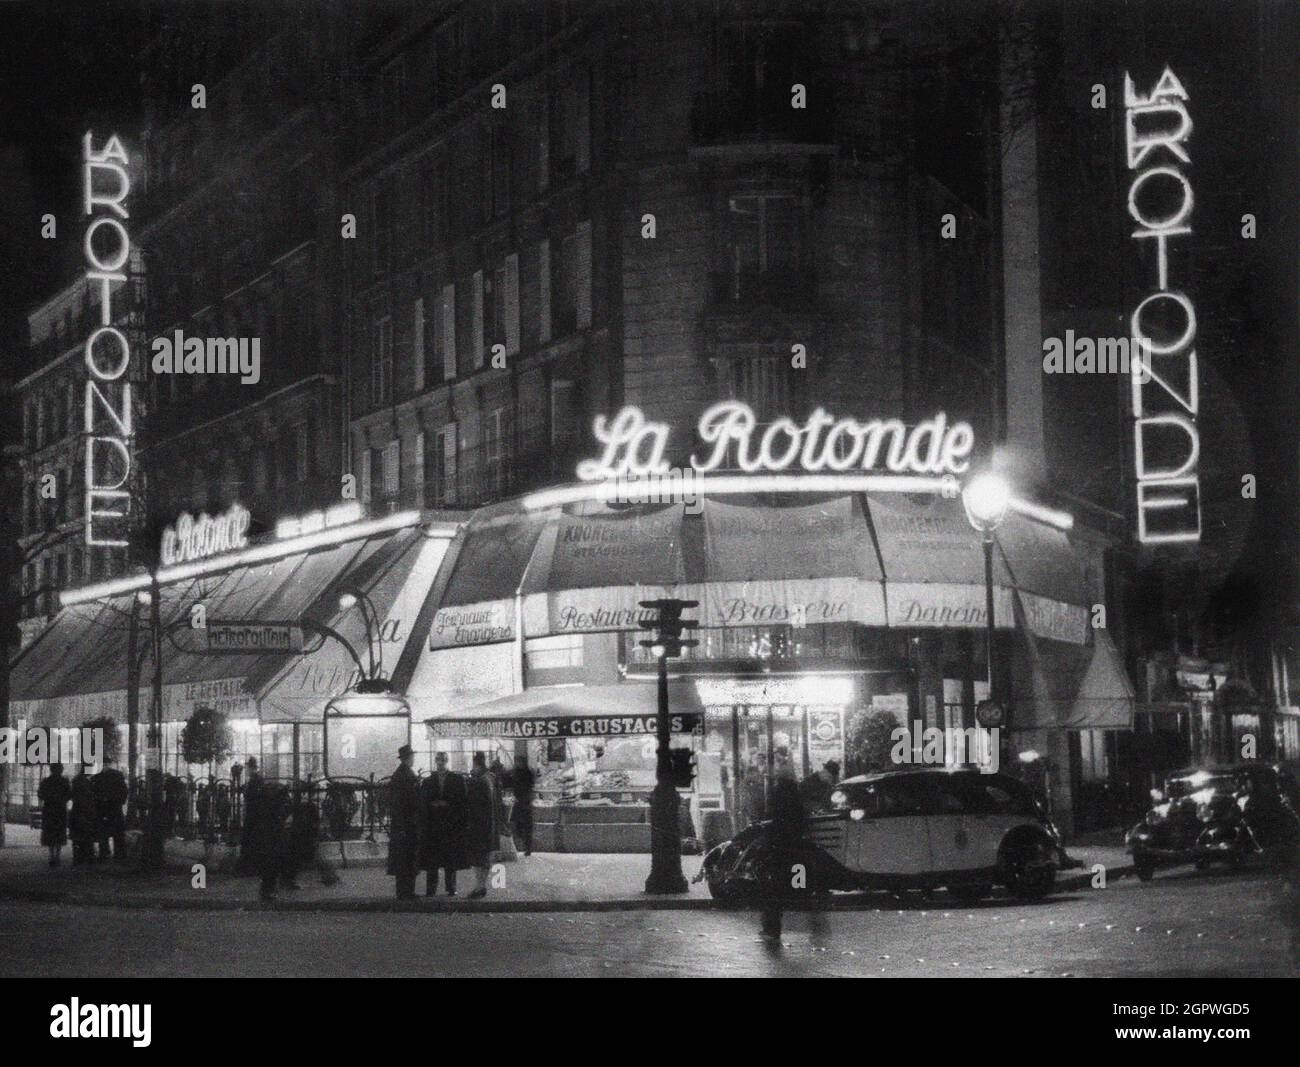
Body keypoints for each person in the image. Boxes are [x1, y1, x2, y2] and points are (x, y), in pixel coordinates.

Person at [760, 752, 804, 941]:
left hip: (777, 843)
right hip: (792, 843)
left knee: (772, 886)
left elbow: (771, 816)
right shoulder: (796, 793)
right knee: (784, 883)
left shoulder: (777, 793)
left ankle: (771, 927)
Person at [419, 751, 468, 895]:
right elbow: (423, 801)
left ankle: (451, 887)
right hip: (434, 825)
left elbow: (462, 801)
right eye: (438, 760)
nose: (440, 763)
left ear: (447, 761)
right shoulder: (428, 781)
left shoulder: (456, 779)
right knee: (432, 858)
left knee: (450, 856)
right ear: (435, 761)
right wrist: (433, 805)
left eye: (443, 760)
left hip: (450, 823)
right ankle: (431, 889)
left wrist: (448, 805)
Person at [465, 751, 506, 899]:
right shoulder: (491, 778)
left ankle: (479, 886)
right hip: (491, 824)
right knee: (486, 857)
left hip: (479, 825)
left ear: (476, 764)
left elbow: (473, 804)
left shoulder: (478, 781)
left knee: (478, 857)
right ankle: (482, 885)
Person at [387, 745, 421, 900]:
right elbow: (412, 801)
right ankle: (407, 891)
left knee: (401, 858)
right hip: (408, 823)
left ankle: (402, 891)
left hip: (400, 823)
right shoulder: (407, 775)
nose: (414, 759)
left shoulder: (398, 774)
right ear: (409, 758)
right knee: (408, 856)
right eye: (412, 756)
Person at [93, 756, 128, 862]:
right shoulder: (118, 775)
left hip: (102, 809)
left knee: (103, 833)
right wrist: (119, 801)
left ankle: (104, 853)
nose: (105, 766)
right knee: (117, 832)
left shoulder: (97, 778)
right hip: (115, 808)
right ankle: (119, 854)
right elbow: (124, 791)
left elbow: (94, 794)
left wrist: (98, 803)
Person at [38, 765, 72, 868]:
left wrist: (50, 799)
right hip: (60, 810)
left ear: (51, 770)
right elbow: (70, 795)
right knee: (59, 832)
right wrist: (62, 800)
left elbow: (40, 794)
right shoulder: (65, 781)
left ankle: (51, 855)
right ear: (61, 770)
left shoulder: (46, 781)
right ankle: (57, 856)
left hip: (49, 810)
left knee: (50, 833)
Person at [69, 764, 99, 865]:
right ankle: (87, 856)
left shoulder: (76, 780)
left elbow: (72, 796)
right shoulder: (86, 782)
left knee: (78, 836)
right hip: (85, 812)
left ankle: (78, 857)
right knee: (86, 835)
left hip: (77, 811)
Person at [510, 754, 536, 857]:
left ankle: (527, 847)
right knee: (522, 826)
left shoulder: (522, 772)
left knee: (524, 826)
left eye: (518, 761)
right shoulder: (521, 772)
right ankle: (525, 846)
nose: (517, 763)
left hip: (523, 803)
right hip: (522, 802)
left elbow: (526, 786)